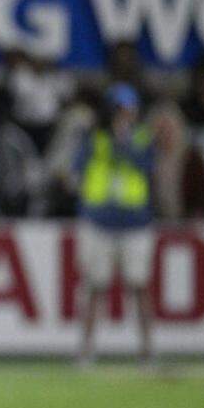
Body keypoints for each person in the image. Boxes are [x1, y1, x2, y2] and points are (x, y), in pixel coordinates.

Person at [74, 83, 156, 366]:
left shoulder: (143, 137)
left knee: (140, 284)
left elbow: (147, 166)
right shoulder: (94, 137)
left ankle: (147, 351)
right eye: (121, 109)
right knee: (94, 286)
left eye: (129, 109)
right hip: (99, 221)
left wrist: (125, 142)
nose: (125, 115)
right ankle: (86, 350)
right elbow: (79, 169)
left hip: (135, 222)